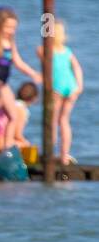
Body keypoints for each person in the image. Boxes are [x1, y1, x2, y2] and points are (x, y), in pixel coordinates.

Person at [0, 8, 41, 157]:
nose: (11, 31)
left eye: (14, 28)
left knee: (13, 115)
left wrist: (33, 73)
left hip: (3, 84)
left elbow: (18, 62)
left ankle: (7, 149)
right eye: (8, 27)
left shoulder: (10, 42)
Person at [36, 21, 84, 165]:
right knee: (64, 121)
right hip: (71, 85)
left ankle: (50, 153)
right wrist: (79, 86)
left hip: (56, 87)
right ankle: (64, 155)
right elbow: (77, 68)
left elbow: (42, 56)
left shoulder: (43, 50)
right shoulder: (67, 51)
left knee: (53, 121)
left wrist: (45, 26)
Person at [11, 82, 39, 150]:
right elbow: (17, 134)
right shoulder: (22, 110)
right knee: (28, 147)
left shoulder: (13, 103)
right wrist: (27, 144)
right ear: (34, 98)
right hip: (5, 142)